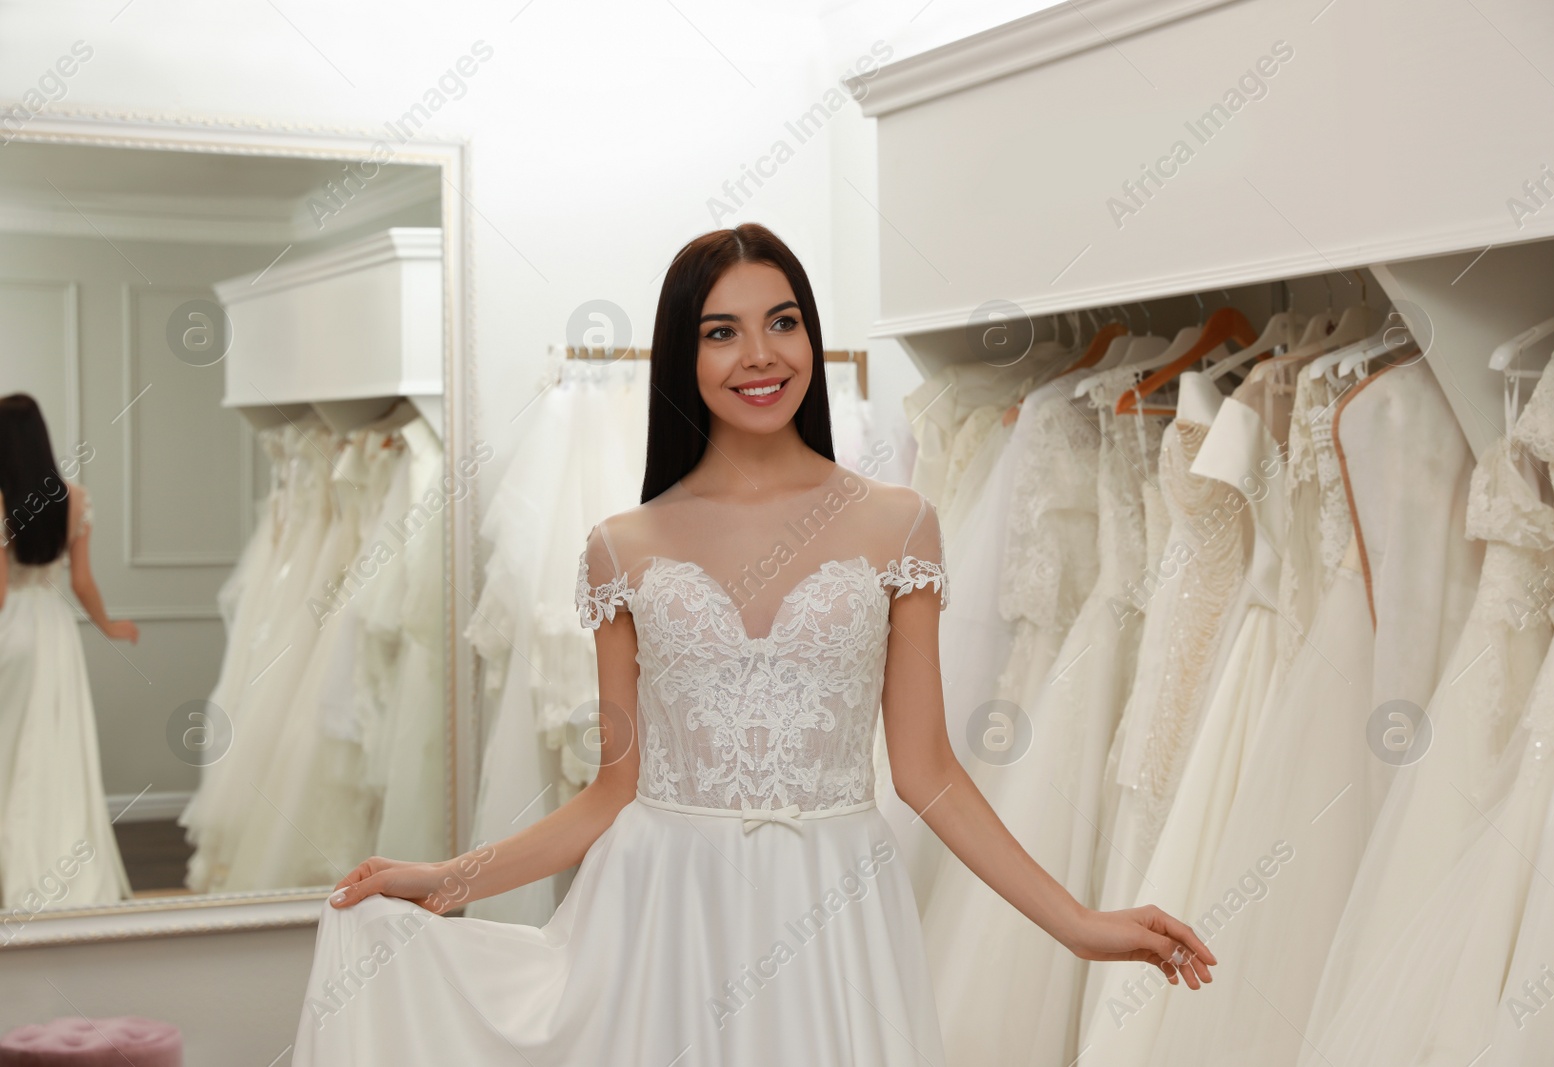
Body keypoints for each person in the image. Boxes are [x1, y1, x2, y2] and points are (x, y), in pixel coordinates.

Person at [290, 224, 1215, 1065]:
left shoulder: (899, 524)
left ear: (811, 337)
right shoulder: (624, 545)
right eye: (722, 332)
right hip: (662, 914)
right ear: (683, 355)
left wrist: (1080, 923)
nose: (761, 355)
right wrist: (452, 879)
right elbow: (614, 788)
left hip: (834, 906)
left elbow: (928, 770)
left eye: (783, 322)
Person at [0, 393, 136, 910]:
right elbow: (81, 582)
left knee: (9, 749)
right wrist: (110, 627)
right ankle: (56, 868)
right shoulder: (75, 498)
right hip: (52, 630)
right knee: (52, 746)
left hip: (9, 627)